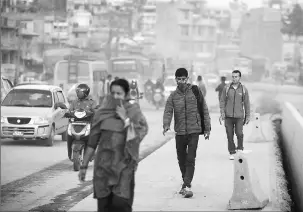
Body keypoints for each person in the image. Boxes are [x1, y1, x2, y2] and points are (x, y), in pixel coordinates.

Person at [78, 78, 148, 212]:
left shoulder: (133, 111)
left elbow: (141, 132)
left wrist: (125, 119)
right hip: (103, 169)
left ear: (126, 94)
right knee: (104, 207)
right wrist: (84, 166)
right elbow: (92, 143)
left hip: (124, 168)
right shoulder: (102, 113)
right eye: (113, 93)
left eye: (119, 94)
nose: (115, 97)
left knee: (120, 205)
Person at [163, 68, 211, 198]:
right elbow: (168, 111)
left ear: (187, 79)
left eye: (184, 79)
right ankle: (186, 181)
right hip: (180, 132)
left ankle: (187, 185)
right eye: (179, 79)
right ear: (176, 80)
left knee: (190, 158)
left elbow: (204, 109)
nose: (182, 81)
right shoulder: (173, 96)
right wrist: (166, 125)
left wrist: (207, 128)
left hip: (194, 130)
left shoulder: (195, 91)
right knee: (181, 159)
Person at [219, 70, 251, 160]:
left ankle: (240, 149)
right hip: (228, 116)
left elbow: (247, 103)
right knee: (229, 134)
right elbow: (222, 101)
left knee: (239, 133)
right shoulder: (227, 88)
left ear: (239, 77)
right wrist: (222, 112)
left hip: (239, 117)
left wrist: (248, 116)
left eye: (236, 76)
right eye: (233, 76)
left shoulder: (243, 89)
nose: (234, 78)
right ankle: (232, 152)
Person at [67, 83, 97, 161]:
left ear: (85, 93)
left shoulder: (91, 102)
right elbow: (70, 110)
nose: (78, 94)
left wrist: (95, 111)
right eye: (77, 92)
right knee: (69, 136)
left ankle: (92, 153)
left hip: (88, 123)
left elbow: (96, 110)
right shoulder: (74, 102)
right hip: (75, 124)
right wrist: (67, 113)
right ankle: (70, 154)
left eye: (80, 92)